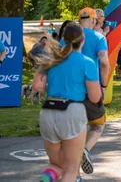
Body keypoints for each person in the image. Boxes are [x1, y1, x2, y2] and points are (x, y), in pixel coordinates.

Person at [32, 23, 101, 182]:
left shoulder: (51, 60)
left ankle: (45, 180)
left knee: (55, 166)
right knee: (70, 170)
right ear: (82, 40)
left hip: (48, 111)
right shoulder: (87, 62)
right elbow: (95, 97)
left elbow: (37, 86)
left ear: (63, 39)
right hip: (72, 112)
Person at [76, 7, 109, 176]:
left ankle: (74, 175)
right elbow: (104, 62)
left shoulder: (67, 38)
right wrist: (103, 85)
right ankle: (86, 149)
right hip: (91, 89)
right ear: (95, 20)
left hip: (68, 91)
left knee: (74, 130)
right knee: (98, 124)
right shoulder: (98, 37)